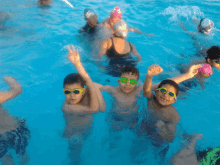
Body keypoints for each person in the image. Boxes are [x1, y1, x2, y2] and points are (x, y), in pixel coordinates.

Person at [139, 64, 201, 159]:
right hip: (145, 125)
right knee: (138, 148)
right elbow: (146, 89)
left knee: (158, 154)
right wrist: (149, 76)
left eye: (171, 94)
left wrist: (162, 129)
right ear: (156, 92)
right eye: (163, 90)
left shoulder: (173, 115)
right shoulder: (151, 99)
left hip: (159, 135)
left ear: (174, 100)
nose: (165, 95)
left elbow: (170, 137)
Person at [62, 45, 106, 165]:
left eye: (76, 91)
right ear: (63, 92)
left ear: (83, 91)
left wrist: (94, 88)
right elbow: (94, 109)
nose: (72, 95)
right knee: (75, 158)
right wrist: (92, 86)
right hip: (73, 135)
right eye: (67, 92)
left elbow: (103, 109)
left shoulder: (87, 95)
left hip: (87, 129)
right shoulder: (67, 107)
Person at [0, 76, 30, 165]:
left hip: (2, 138)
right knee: (24, 157)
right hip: (15, 131)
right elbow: (17, 90)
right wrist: (11, 80)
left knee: (6, 159)